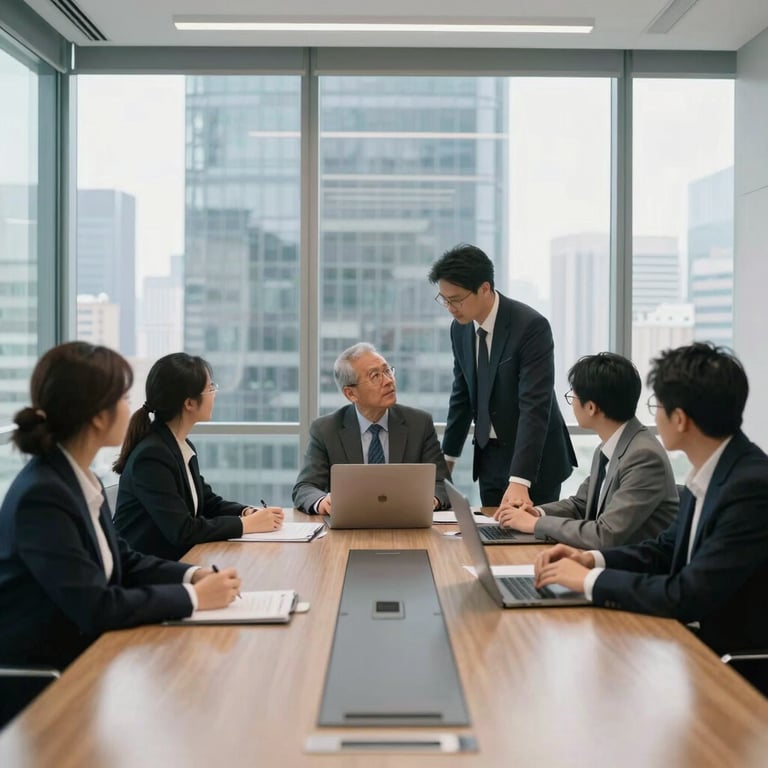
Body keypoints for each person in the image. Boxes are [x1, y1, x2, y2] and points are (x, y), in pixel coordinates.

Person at [0, 342, 241, 673]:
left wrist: (192, 574)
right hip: (51, 679)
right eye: (123, 399)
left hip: (90, 654)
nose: (132, 408)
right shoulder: (42, 497)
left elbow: (122, 559)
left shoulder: (79, 478)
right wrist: (195, 599)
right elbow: (96, 606)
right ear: (99, 417)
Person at [534, 342, 768, 657]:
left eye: (657, 406)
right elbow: (664, 549)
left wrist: (592, 581)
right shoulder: (714, 469)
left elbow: (686, 594)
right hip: (688, 639)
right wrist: (592, 560)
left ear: (680, 419)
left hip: (729, 663)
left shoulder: (749, 487)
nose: (652, 418)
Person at [428, 243, 576, 509]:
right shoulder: (459, 329)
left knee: (527, 544)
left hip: (535, 458)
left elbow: (535, 405)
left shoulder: (530, 326)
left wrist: (520, 480)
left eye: (456, 299)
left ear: (484, 288)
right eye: (444, 300)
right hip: (490, 456)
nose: (450, 307)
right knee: (492, 537)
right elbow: (461, 395)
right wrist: (447, 460)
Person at [496, 352, 678, 548]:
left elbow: (605, 535)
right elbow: (580, 504)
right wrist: (537, 513)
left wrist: (536, 524)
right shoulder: (608, 446)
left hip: (636, 571)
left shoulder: (643, 457)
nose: (572, 402)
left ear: (591, 407)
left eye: (573, 396)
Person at [113, 353, 284, 560]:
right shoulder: (151, 456)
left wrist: (247, 512)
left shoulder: (179, 445)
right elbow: (183, 530)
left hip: (179, 561)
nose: (215, 394)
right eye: (211, 388)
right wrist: (245, 525)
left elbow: (208, 503)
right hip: (148, 573)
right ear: (189, 404)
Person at [292, 343, 451, 514]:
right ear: (351, 394)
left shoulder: (419, 423)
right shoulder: (326, 430)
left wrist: (431, 499)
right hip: (350, 528)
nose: (389, 381)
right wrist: (322, 501)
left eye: (387, 371)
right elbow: (305, 487)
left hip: (406, 525)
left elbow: (442, 484)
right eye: (375, 376)